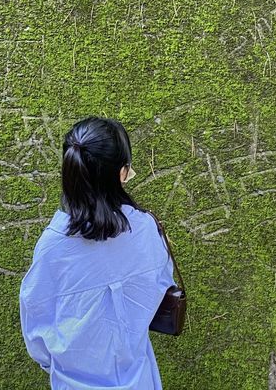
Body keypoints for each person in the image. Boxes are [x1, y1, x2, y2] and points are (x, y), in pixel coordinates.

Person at [19, 116, 177, 389]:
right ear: (121, 174)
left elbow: (36, 332)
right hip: (138, 378)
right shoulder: (146, 230)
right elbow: (161, 285)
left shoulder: (52, 246)